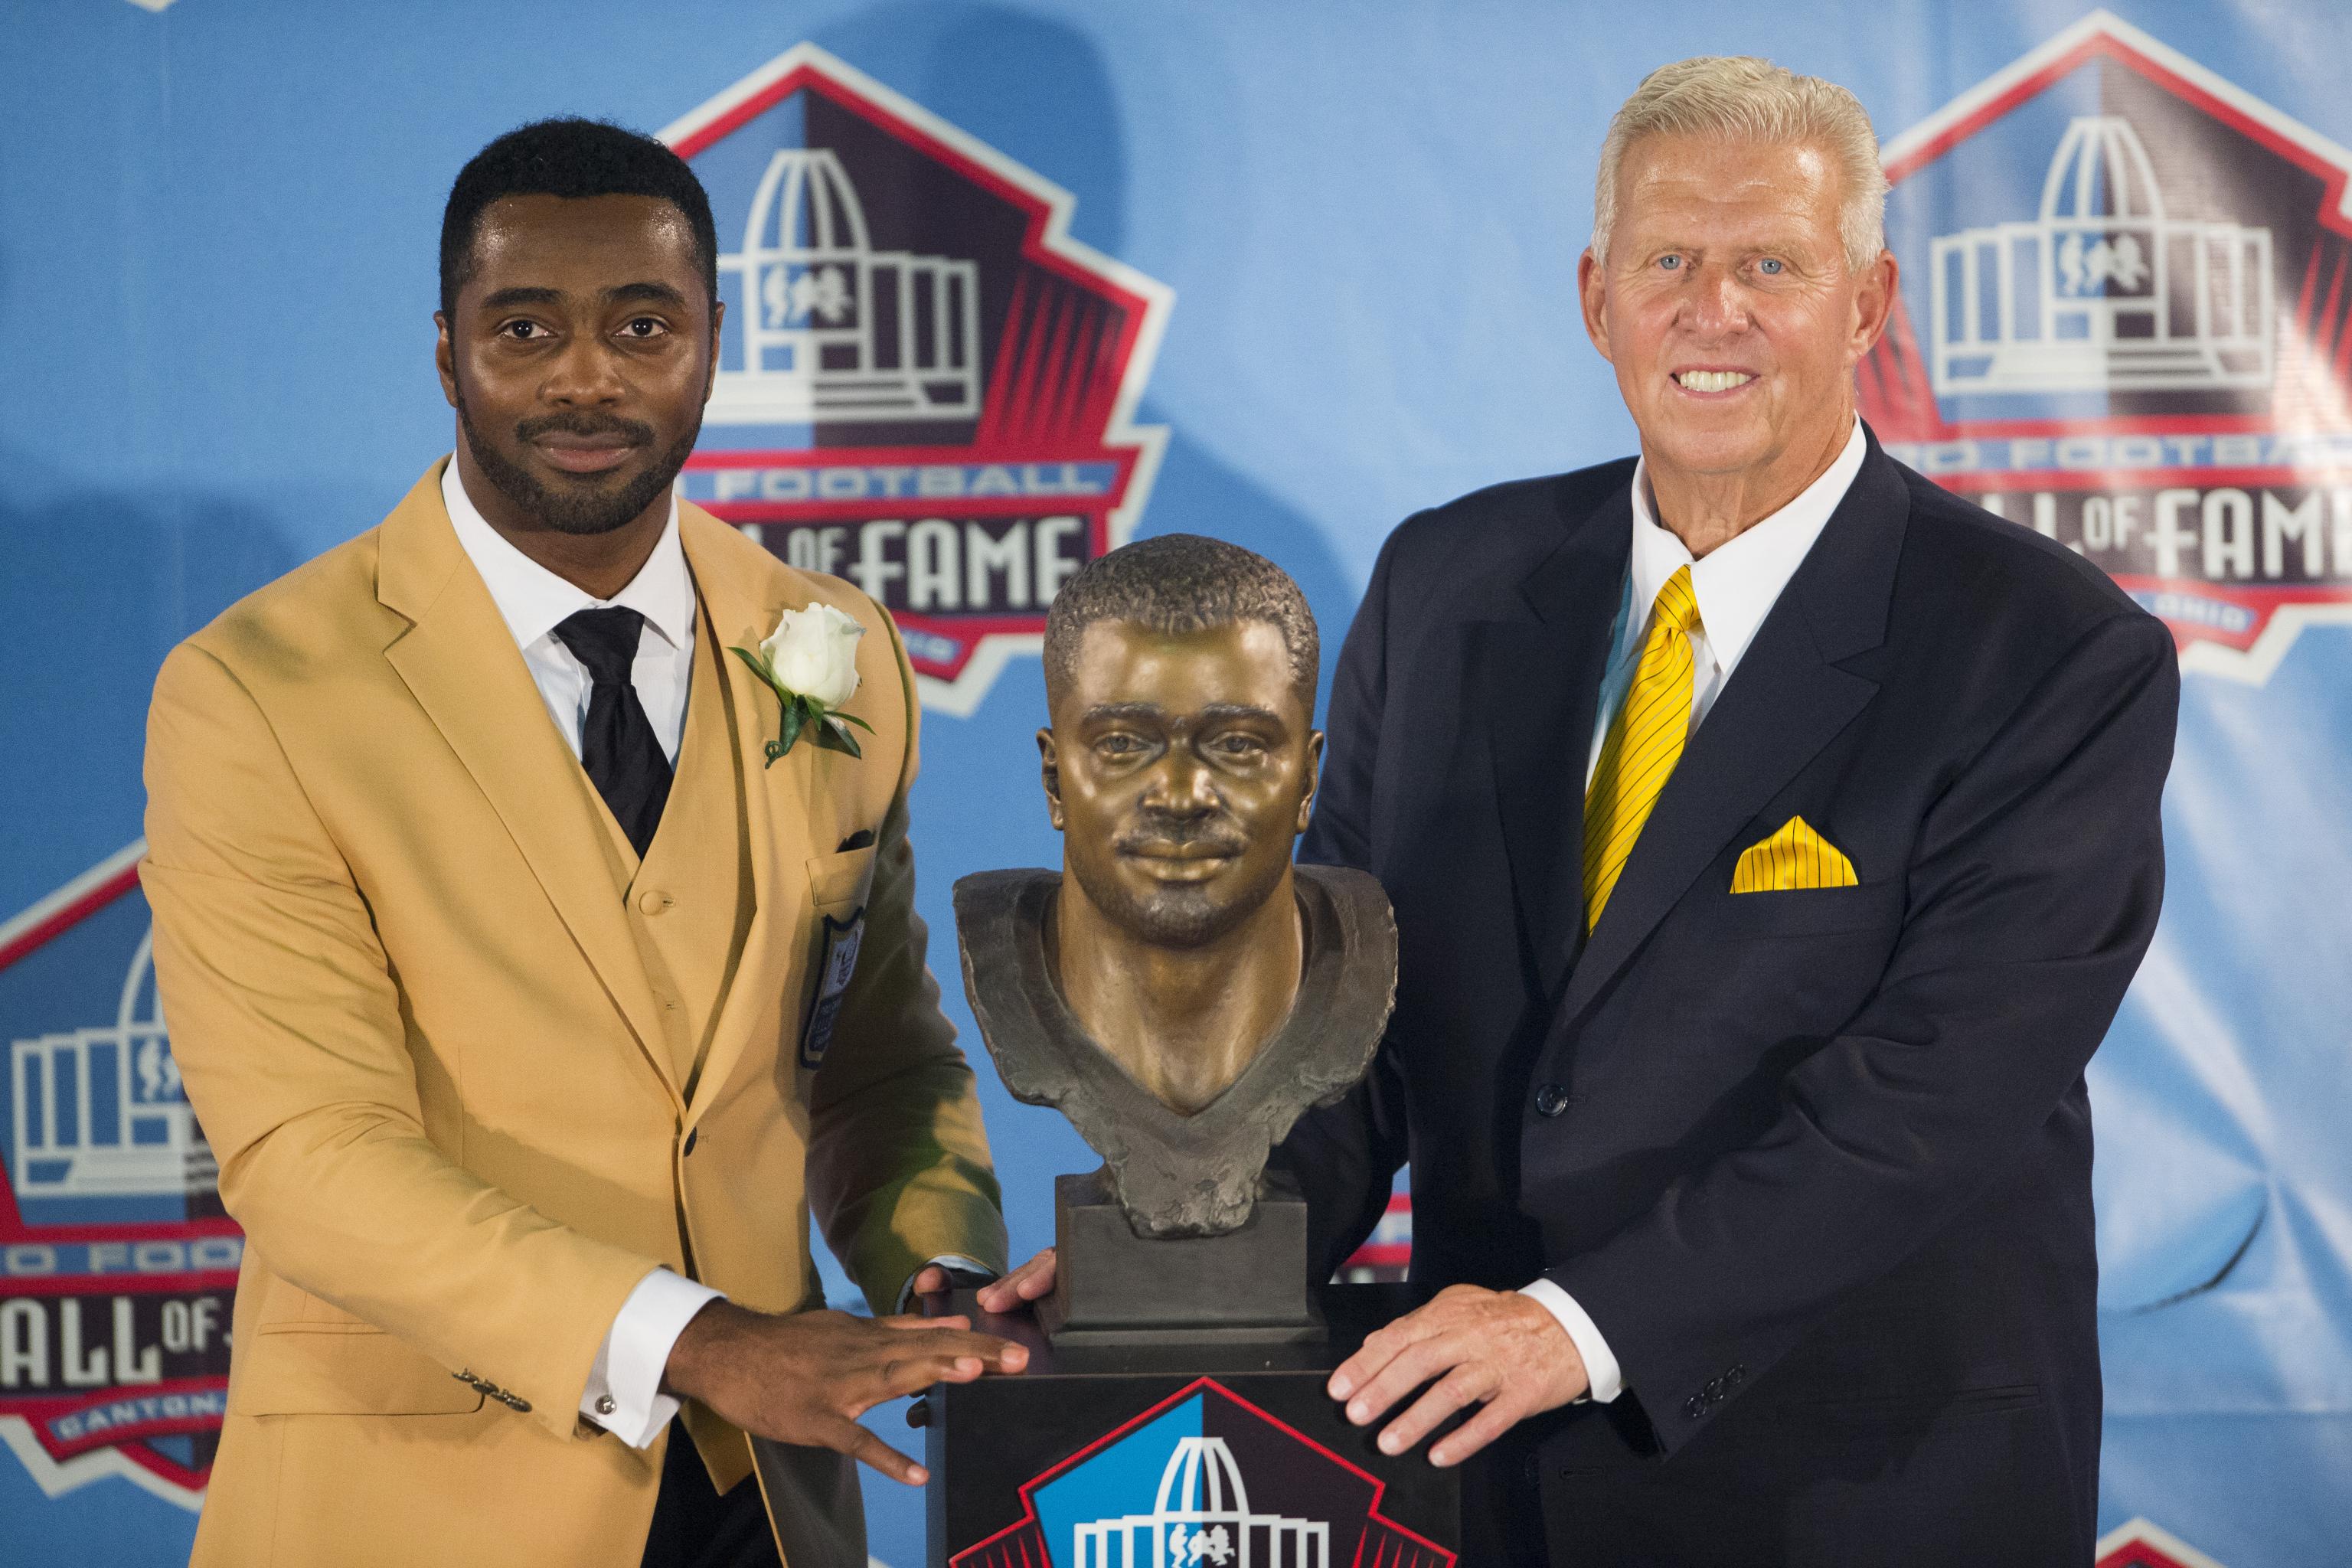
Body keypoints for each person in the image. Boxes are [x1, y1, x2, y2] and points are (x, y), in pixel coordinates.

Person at [1279, 57, 2180, 1566]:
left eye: (1774, 262)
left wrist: (1580, 1326)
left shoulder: (2048, 651)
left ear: (1868, 303)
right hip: (1482, 1484)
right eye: (1670, 262)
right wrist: (1177, 1267)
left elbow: (1928, 1102)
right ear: (1596, 297)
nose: (1717, 310)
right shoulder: (1444, 587)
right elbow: (1343, 1021)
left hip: (1865, 1494)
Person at [142, 119, 1023, 1568]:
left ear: (715, 341)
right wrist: (702, 1343)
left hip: (767, 1502)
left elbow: (875, 1052)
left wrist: (937, 1265)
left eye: (642, 323)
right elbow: (312, 1154)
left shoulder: (835, 647)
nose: (587, 375)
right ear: (446, 353)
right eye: (525, 326)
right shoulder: (261, 690)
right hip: (418, 1500)